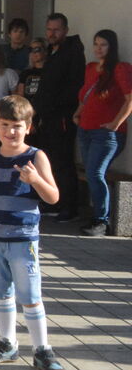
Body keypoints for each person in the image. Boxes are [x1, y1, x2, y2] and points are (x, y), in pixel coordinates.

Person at [0, 95, 67, 370]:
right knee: (1, 293)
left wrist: (35, 180)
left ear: (28, 127)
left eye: (17, 126)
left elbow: (53, 196)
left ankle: (42, 349)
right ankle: (7, 342)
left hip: (23, 238)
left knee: (30, 295)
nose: (10, 131)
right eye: (5, 125)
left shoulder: (36, 156)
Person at [74, 29, 132, 236]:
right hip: (85, 130)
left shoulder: (120, 69)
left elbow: (130, 99)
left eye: (103, 45)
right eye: (96, 44)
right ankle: (97, 216)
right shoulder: (91, 68)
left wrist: (115, 124)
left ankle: (101, 220)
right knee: (92, 173)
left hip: (106, 134)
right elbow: (86, 96)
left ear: (112, 46)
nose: (99, 49)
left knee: (95, 172)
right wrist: (78, 114)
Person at [38, 13, 85, 222]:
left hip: (62, 117)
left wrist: (54, 106)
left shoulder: (73, 52)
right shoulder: (51, 52)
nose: (52, 33)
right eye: (49, 29)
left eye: (56, 30)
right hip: (47, 117)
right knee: (49, 161)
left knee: (63, 161)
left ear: (65, 30)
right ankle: (54, 202)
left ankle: (69, 207)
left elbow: (75, 86)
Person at [17, 37, 48, 144]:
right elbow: (20, 96)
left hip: (46, 115)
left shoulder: (50, 71)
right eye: (31, 50)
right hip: (28, 114)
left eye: (37, 49)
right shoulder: (26, 73)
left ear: (45, 51)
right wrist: (26, 118)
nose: (34, 53)